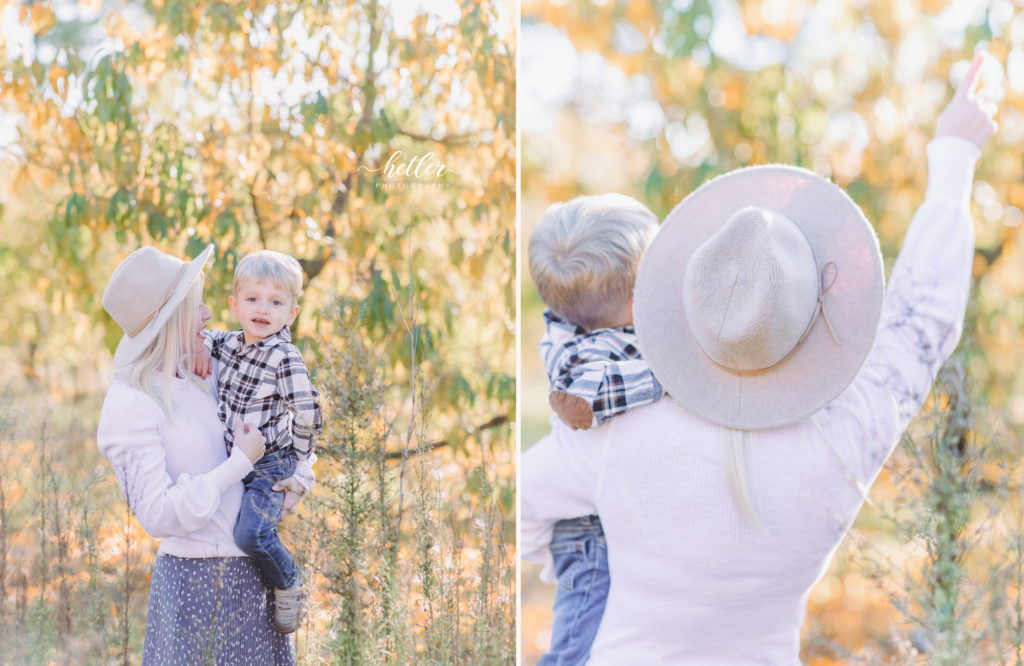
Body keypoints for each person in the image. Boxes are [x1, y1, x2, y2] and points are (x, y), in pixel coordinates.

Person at [521, 53, 998, 664]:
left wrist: (587, 560)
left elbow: (523, 504)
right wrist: (955, 155)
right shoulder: (844, 438)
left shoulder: (607, 428)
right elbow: (925, 319)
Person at [97, 244, 305, 664]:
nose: (210, 314)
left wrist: (300, 477)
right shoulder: (131, 402)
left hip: (253, 576)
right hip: (193, 582)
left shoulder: (212, 369)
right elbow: (155, 514)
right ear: (170, 321)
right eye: (196, 306)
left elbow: (285, 413)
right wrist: (238, 465)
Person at [527, 193, 665, 664]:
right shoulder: (600, 360)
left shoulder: (574, 326)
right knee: (574, 649)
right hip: (588, 533)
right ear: (635, 298)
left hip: (607, 521)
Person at [197, 250, 323, 633]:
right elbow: (202, 338)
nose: (263, 309)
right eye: (253, 299)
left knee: (250, 534)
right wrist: (196, 348)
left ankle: (288, 581)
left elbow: (309, 414)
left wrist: (301, 468)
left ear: (292, 313)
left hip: (271, 462)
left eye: (276, 302)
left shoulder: (285, 356)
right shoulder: (229, 343)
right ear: (235, 306)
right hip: (236, 458)